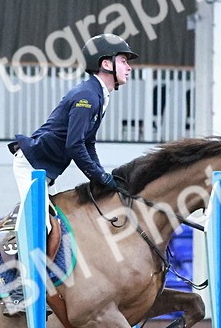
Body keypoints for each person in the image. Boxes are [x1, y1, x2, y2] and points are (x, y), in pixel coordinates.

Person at [9, 33, 137, 226]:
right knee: (41, 227)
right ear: (106, 64)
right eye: (123, 61)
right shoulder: (87, 96)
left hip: (44, 169)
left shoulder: (98, 95)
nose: (129, 67)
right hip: (31, 166)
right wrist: (99, 176)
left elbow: (88, 143)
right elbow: (74, 145)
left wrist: (101, 176)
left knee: (58, 225)